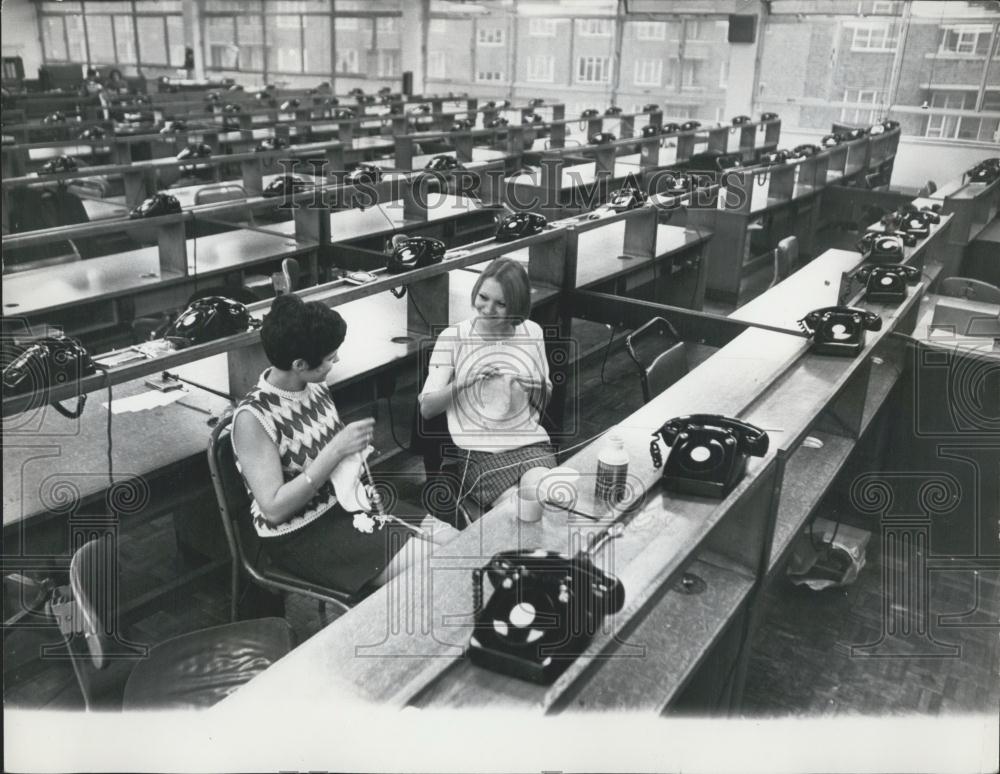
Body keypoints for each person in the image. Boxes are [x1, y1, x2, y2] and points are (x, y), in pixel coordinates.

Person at [233, 294, 447, 595]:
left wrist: (350, 453)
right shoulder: (253, 418)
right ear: (299, 364)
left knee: (454, 540)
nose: (337, 361)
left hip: (346, 504)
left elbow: (323, 452)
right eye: (331, 357)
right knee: (438, 567)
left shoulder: (314, 385)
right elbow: (274, 509)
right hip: (302, 533)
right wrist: (336, 450)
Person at [419, 258, 557, 526]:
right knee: (516, 516)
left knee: (545, 500)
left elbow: (544, 400)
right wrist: (462, 382)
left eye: (501, 304)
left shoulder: (532, 332)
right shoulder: (454, 337)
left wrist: (538, 384)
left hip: (529, 443)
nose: (488, 309)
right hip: (479, 452)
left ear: (516, 306)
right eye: (483, 297)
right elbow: (426, 409)